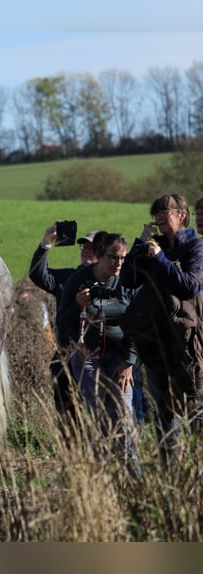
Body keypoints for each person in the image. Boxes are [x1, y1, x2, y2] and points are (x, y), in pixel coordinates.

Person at [120, 193, 203, 467]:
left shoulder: (196, 248)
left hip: (188, 343)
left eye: (164, 213)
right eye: (154, 214)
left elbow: (189, 286)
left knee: (194, 410)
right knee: (164, 416)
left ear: (182, 214)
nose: (158, 218)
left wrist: (160, 259)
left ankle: (196, 473)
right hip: (154, 343)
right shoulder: (152, 247)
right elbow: (128, 279)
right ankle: (172, 475)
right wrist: (141, 243)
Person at [57, 232, 140, 475]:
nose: (118, 263)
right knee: (96, 419)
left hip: (120, 359)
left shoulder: (127, 280)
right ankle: (99, 483)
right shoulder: (78, 280)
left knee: (124, 419)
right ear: (99, 256)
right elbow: (62, 321)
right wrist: (78, 306)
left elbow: (139, 322)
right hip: (87, 358)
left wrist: (129, 362)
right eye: (113, 258)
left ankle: (133, 481)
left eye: (123, 258)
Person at [29, 224, 100, 430]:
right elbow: (38, 275)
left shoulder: (111, 282)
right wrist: (46, 242)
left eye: (92, 247)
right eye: (83, 247)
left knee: (99, 413)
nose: (86, 250)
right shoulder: (68, 278)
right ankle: (73, 453)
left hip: (100, 357)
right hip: (66, 356)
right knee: (67, 412)